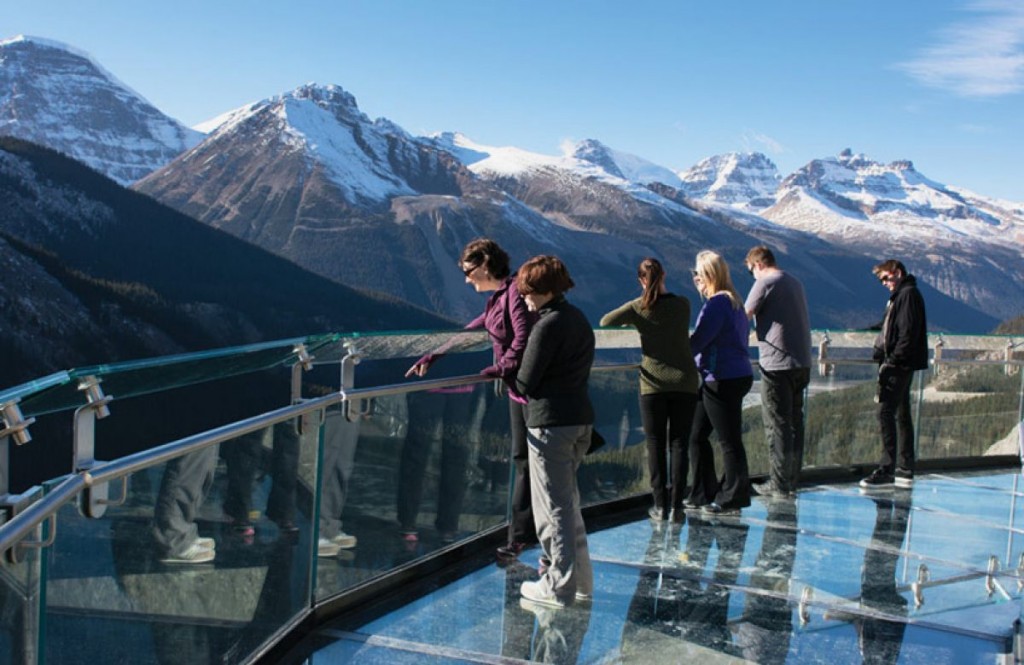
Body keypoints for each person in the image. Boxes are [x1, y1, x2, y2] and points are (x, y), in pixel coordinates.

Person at [406, 238, 538, 559]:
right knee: (524, 463)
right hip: (517, 392)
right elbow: (475, 328)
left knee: (529, 465)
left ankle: (524, 536)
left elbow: (522, 339)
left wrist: (497, 368)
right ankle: (525, 535)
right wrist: (435, 355)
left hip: (531, 391)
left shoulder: (514, 296)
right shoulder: (500, 297)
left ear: (484, 266)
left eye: (468, 271)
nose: (466, 279)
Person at [514, 255, 594, 608]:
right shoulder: (578, 319)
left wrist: (503, 376)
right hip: (580, 420)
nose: (525, 298)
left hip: (550, 424)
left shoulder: (546, 326)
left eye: (529, 291)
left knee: (553, 510)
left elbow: (525, 381)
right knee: (569, 505)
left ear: (544, 290)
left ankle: (557, 586)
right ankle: (582, 583)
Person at [600, 257, 699, 522]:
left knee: (655, 444)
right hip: (686, 382)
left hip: (653, 383)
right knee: (679, 444)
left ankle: (660, 505)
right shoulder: (683, 305)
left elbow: (606, 320)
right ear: (665, 275)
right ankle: (678, 506)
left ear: (641, 280)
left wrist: (639, 302)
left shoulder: (638, 307)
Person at [688, 250, 754, 516]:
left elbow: (700, 340)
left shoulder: (716, 304)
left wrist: (675, 355)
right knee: (698, 434)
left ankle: (732, 498)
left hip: (720, 378)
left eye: (697, 276)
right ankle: (705, 491)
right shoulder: (734, 302)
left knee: (728, 440)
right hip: (734, 374)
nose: (696, 281)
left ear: (708, 276)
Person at [743, 246, 812, 498]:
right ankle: (792, 479)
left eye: (751, 270)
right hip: (802, 361)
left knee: (777, 425)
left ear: (758, 264)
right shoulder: (794, 281)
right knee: (795, 422)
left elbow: (743, 315)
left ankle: (779, 484)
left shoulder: (765, 282)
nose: (753, 275)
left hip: (777, 363)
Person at [860, 259, 928, 489]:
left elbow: (907, 331)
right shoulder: (905, 294)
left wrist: (893, 361)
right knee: (900, 412)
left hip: (898, 364)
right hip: (903, 363)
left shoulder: (907, 295)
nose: (884, 283)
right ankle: (904, 465)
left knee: (885, 411)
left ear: (897, 273)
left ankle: (887, 468)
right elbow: (894, 325)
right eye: (882, 280)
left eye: (886, 278)